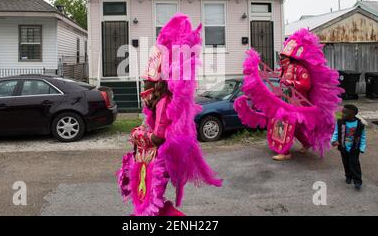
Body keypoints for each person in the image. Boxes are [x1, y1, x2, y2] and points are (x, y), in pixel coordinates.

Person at [117, 14, 222, 216]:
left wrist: (138, 135)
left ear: (156, 85)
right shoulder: (157, 102)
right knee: (149, 203)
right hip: (150, 159)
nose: (144, 90)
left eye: (146, 85)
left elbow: (158, 136)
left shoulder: (163, 103)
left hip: (157, 161)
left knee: (152, 204)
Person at [234, 29, 343, 161]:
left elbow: (306, 84)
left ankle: (284, 152)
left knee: (285, 122)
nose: (281, 59)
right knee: (292, 126)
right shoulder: (283, 69)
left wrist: (291, 82)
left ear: (289, 57)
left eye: (283, 57)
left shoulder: (300, 69)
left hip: (297, 104)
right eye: (281, 57)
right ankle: (306, 143)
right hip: (285, 101)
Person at [331, 104, 367, 190]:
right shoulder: (340, 122)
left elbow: (363, 136)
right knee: (346, 162)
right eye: (342, 112)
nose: (342, 114)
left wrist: (362, 147)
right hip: (343, 147)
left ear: (352, 115)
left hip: (354, 148)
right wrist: (333, 141)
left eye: (345, 113)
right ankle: (348, 176)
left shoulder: (359, 124)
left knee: (354, 163)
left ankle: (357, 180)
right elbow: (336, 132)